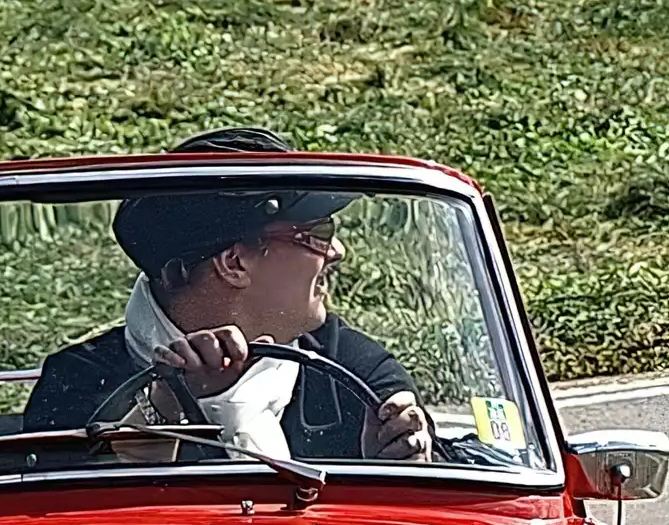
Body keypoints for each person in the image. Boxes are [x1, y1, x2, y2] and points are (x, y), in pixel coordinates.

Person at [23, 129, 433, 463]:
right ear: (235, 262)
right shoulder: (77, 383)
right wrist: (162, 407)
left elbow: (428, 502)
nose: (337, 251)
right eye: (318, 233)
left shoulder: (351, 370)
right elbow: (65, 519)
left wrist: (402, 460)